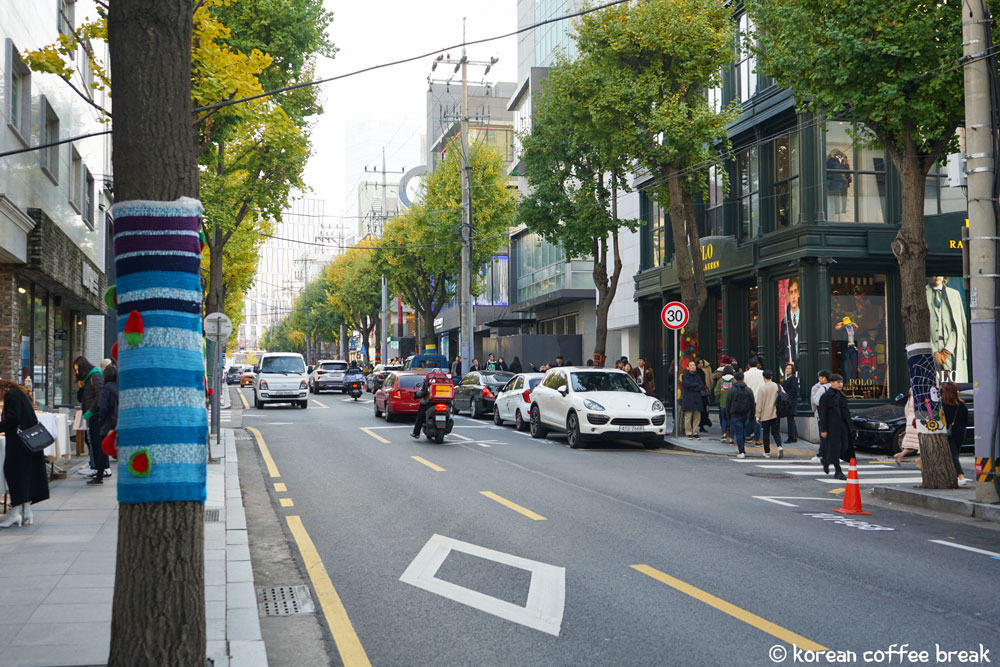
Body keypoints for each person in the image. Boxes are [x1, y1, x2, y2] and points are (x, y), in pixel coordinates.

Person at [0, 380, 50, 527]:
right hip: (27, 442)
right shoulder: (18, 393)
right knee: (24, 475)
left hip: (19, 443)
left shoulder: (12, 395)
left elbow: (13, 419)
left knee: (14, 473)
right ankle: (26, 511)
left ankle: (16, 511)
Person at [927, 277, 969, 383]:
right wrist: (934, 351)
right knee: (932, 384)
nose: (937, 276)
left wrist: (946, 352)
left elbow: (958, 326)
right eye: (934, 274)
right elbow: (921, 327)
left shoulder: (954, 294)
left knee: (952, 384)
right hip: (930, 350)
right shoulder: (923, 294)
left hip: (950, 351)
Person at [75, 356, 104, 481]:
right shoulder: (87, 379)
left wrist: (91, 410)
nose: (77, 372)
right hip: (91, 416)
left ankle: (100, 472)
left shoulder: (95, 376)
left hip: (96, 416)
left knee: (97, 444)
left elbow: (100, 395)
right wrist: (81, 387)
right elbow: (81, 398)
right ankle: (97, 470)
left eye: (78, 369)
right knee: (93, 443)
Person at [818, 374, 852, 480]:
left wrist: (850, 427)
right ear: (831, 383)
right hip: (831, 427)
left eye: (841, 382)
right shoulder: (825, 397)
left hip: (843, 425)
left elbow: (846, 412)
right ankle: (838, 471)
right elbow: (822, 414)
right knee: (835, 448)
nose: (840, 384)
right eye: (838, 382)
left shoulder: (842, 395)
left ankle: (826, 460)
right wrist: (823, 429)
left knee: (845, 446)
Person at [91, 365, 119, 485]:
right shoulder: (118, 388)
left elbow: (103, 407)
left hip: (107, 423)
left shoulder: (105, 390)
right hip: (117, 422)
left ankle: (99, 476)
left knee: (102, 450)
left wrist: (100, 420)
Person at [939, 382, 970, 486]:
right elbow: (966, 420)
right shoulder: (961, 404)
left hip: (949, 433)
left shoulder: (942, 405)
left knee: (953, 456)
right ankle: (955, 476)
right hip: (960, 432)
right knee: (956, 455)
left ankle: (961, 477)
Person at [725, 372, 755, 458]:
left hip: (735, 414)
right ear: (743, 379)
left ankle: (741, 451)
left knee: (738, 432)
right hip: (746, 413)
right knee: (744, 431)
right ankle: (742, 449)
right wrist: (752, 416)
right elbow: (752, 404)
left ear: (735, 379)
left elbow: (728, 404)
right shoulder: (749, 390)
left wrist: (728, 416)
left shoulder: (731, 390)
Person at [755, 370, 783, 459]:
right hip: (776, 413)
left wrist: (757, 415)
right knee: (776, 432)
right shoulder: (778, 386)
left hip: (765, 414)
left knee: (766, 433)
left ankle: (767, 452)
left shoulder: (762, 388)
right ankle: (779, 447)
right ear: (771, 377)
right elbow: (784, 396)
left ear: (763, 377)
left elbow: (759, 403)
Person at [778, 278, 801, 371]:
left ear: (799, 294)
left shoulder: (806, 317)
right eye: (791, 293)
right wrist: (785, 366)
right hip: (790, 369)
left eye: (795, 291)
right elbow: (781, 351)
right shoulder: (784, 322)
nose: (793, 296)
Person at [893, 389, 920, 467]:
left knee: (913, 442)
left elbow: (906, 410)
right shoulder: (919, 396)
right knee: (922, 443)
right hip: (917, 421)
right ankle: (919, 461)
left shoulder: (910, 397)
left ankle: (900, 455)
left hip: (911, 420)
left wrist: (908, 419)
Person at [809, 370, 831, 463]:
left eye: (820, 377)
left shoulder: (816, 388)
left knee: (823, 435)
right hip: (831, 415)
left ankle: (821, 454)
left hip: (821, 415)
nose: (819, 379)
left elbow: (814, 401)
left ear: (824, 378)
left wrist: (815, 412)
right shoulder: (832, 386)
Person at [680, 360, 705, 438]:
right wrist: (696, 386)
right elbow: (687, 385)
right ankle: (689, 432)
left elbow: (702, 385)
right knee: (688, 416)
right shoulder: (684, 376)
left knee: (697, 417)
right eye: (691, 365)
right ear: (687, 367)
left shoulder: (698, 376)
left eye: (694, 365)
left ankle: (695, 432)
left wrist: (694, 387)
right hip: (688, 398)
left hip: (697, 398)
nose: (693, 367)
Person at [743, 357, 764, 444]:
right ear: (757, 364)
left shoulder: (745, 374)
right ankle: (757, 439)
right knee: (758, 419)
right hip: (759, 399)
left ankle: (747, 436)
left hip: (748, 400)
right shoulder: (762, 373)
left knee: (748, 419)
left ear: (749, 365)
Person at [713, 365, 735, 443]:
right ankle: (732, 437)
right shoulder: (734, 380)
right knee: (732, 420)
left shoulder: (720, 381)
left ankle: (724, 434)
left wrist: (719, 397)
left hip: (723, 403)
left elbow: (716, 391)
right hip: (732, 404)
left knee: (724, 419)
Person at [826, 148, 851, 217]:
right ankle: (837, 211)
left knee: (844, 196)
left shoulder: (844, 160)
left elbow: (848, 171)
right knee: (836, 197)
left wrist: (848, 179)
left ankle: (843, 210)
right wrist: (829, 181)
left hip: (843, 180)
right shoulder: (830, 160)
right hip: (835, 180)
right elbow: (827, 171)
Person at [782, 363, 799, 444]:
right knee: (791, 419)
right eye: (786, 368)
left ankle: (791, 437)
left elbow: (794, 389)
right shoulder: (788, 378)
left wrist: (788, 398)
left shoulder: (793, 378)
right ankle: (793, 436)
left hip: (791, 402)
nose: (787, 370)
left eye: (789, 368)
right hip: (789, 401)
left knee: (790, 419)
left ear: (793, 370)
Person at [697, 359, 713, 431]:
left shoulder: (703, 371)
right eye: (699, 363)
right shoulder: (697, 372)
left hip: (704, 392)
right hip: (699, 392)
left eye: (701, 363)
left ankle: (703, 423)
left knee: (705, 408)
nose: (700, 365)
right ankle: (702, 423)